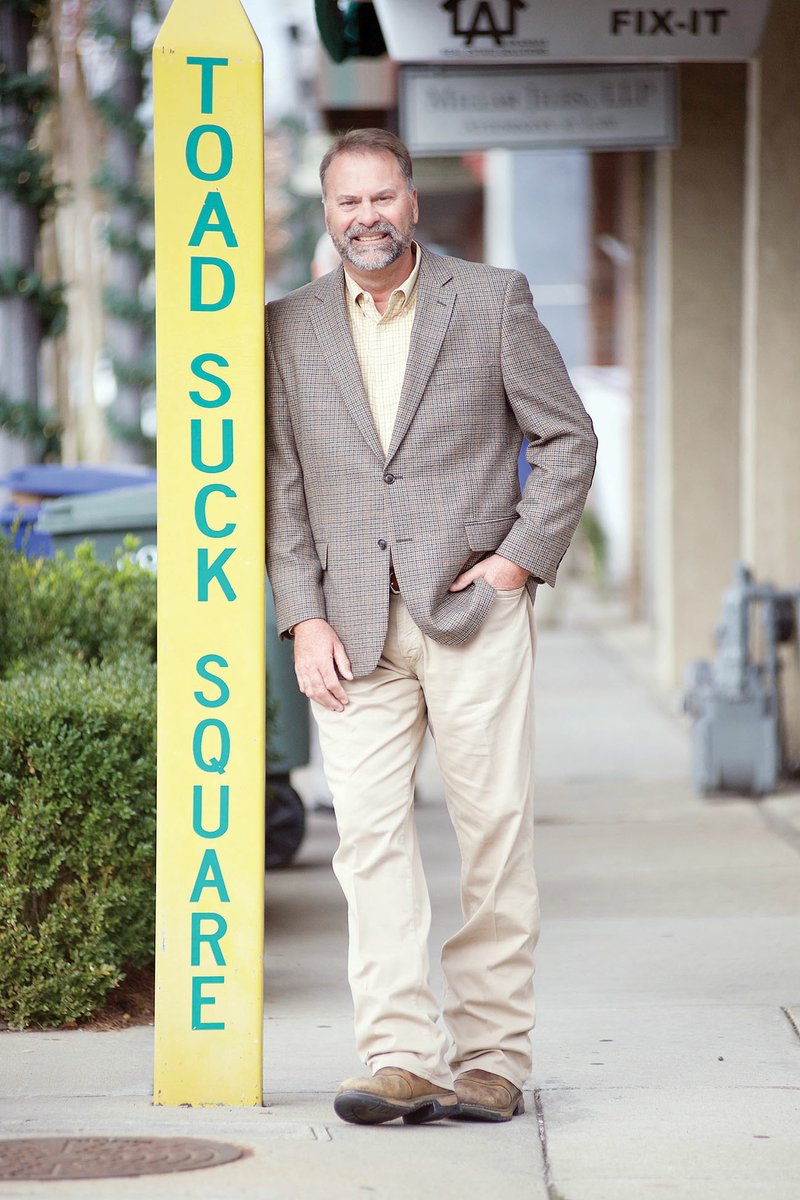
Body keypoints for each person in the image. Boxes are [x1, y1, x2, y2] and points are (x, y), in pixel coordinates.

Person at [266, 128, 597, 1127]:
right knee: (366, 842)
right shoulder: (287, 327)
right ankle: (399, 1056)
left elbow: (566, 436)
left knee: (490, 834)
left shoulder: (490, 301)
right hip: (350, 630)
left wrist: (514, 563)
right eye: (345, 203)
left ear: (411, 204)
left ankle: (490, 1057)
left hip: (470, 614)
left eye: (380, 198)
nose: (364, 217)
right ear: (326, 215)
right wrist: (302, 616)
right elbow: (283, 489)